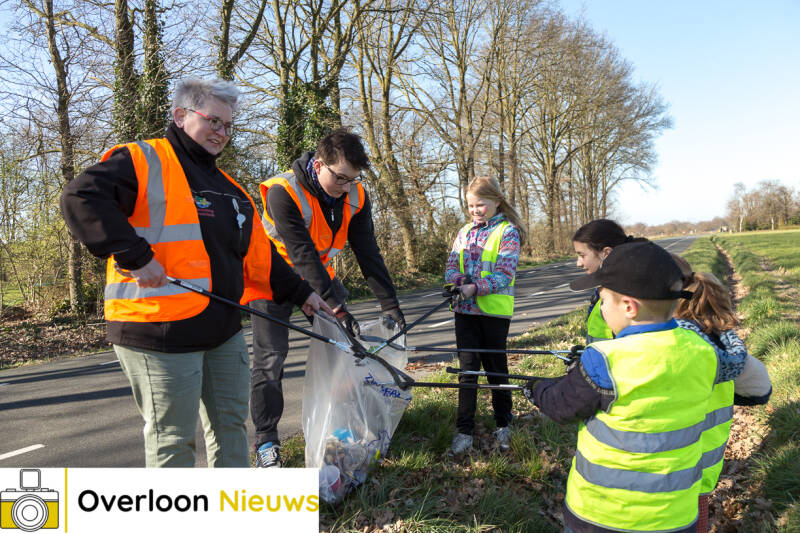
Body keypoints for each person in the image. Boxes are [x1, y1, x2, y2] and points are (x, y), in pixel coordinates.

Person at [60, 78, 330, 468]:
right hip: (158, 330)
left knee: (231, 429)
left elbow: (260, 257)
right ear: (181, 116)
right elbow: (80, 197)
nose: (222, 133)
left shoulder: (231, 189)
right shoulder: (143, 159)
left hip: (222, 330)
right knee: (174, 441)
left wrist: (303, 293)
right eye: (213, 121)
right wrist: (134, 255)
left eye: (228, 126)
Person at [524, 241, 743, 533]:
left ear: (628, 306)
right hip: (675, 515)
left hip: (602, 514)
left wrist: (537, 389)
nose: (601, 308)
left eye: (603, 300)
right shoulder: (703, 350)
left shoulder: (605, 357)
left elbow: (563, 406)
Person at [251, 127, 405, 467]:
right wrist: (336, 307)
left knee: (346, 351)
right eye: (340, 178)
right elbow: (301, 253)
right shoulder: (282, 192)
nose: (347, 187)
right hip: (273, 279)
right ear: (319, 164)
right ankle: (266, 442)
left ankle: (343, 429)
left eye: (353, 179)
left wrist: (390, 304)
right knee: (271, 358)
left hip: (321, 278)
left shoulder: (356, 195)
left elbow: (368, 252)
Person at [670, 254, 771, 533]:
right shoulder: (728, 350)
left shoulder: (670, 345)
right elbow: (761, 390)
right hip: (705, 466)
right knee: (696, 521)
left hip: (665, 461)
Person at [443, 176, 527, 455]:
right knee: (467, 372)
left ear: (496, 201)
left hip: (494, 314)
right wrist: (458, 282)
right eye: (470, 206)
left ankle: (504, 423)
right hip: (464, 312)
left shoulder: (508, 232)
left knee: (496, 370)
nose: (475, 210)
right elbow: (451, 268)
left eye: (481, 204)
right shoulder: (464, 231)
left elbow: (505, 275)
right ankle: (463, 431)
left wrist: (475, 287)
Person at [572, 219, 648, 344]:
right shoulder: (607, 286)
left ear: (606, 253)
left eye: (582, 255)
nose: (578, 263)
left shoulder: (623, 292)